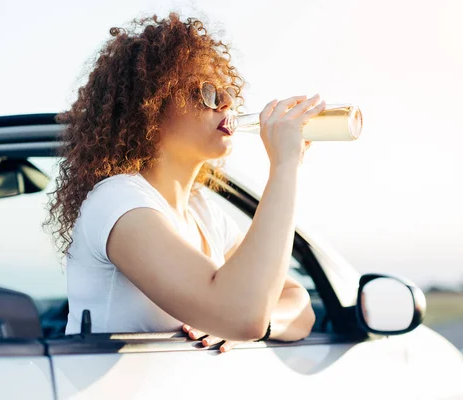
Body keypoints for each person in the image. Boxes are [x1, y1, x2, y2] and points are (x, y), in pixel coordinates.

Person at [47, 12, 324, 352]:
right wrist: (285, 165)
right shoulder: (117, 202)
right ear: (150, 106)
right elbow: (243, 313)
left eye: (229, 93)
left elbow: (297, 304)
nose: (226, 103)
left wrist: (251, 324)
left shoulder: (202, 213)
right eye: (207, 92)